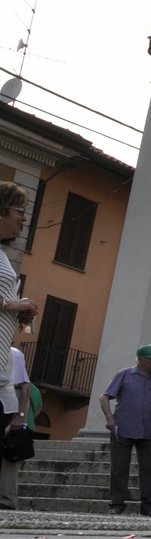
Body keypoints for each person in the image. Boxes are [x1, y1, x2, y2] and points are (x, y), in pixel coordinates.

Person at [100, 344, 151, 517]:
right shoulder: (124, 374)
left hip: (147, 431)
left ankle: (149, 507)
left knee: (148, 469)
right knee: (119, 468)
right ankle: (117, 504)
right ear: (140, 358)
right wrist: (110, 419)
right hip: (123, 429)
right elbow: (104, 398)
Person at [0, 182, 39, 510]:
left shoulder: (3, 256)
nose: (24, 219)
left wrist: (21, 313)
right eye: (19, 211)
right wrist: (11, 304)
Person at [0, 346, 38, 510]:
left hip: (9, 403)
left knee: (9, 455)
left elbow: (25, 387)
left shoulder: (15, 353)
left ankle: (7, 499)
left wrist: (20, 416)